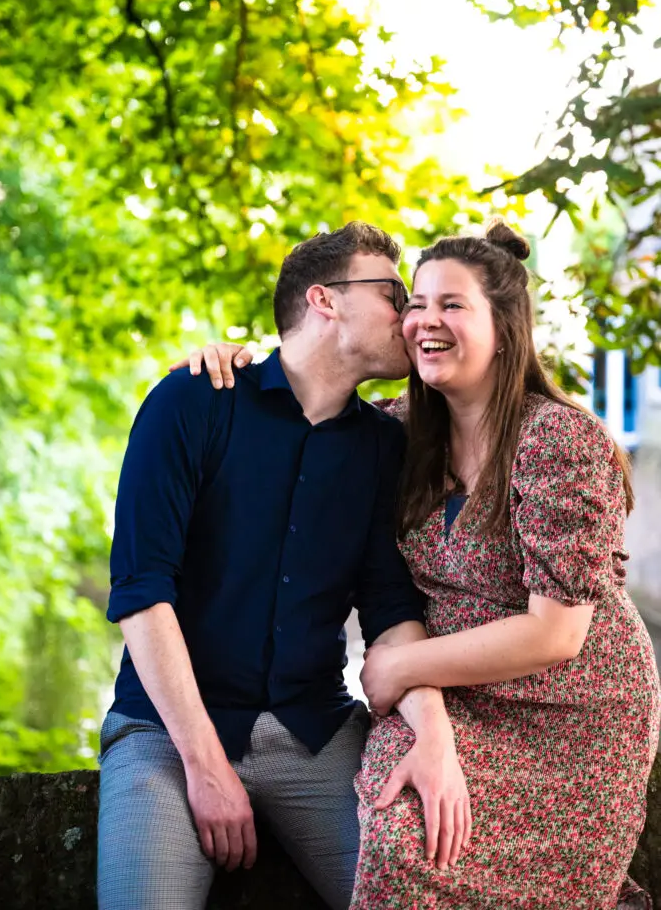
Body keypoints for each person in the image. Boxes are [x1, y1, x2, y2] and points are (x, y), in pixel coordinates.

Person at [196, 219, 660, 910]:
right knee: (395, 829)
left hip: (569, 708)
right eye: (415, 303)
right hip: (456, 696)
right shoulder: (396, 434)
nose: (423, 321)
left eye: (451, 305)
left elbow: (557, 635)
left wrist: (400, 667)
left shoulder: (556, 438)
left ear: (503, 329)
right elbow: (305, 388)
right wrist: (231, 360)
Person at [97, 221, 471, 910]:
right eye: (394, 293)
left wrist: (435, 737)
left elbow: (390, 610)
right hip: (166, 733)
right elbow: (142, 593)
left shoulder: (385, 448)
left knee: (427, 893)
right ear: (325, 301)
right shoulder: (191, 402)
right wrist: (206, 767)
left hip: (313, 732)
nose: (411, 314)